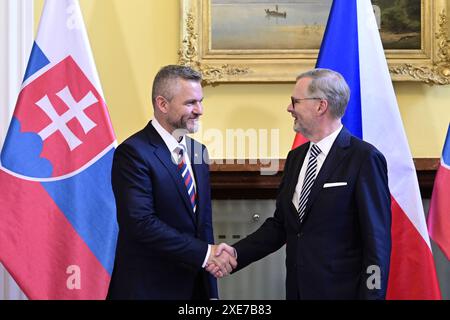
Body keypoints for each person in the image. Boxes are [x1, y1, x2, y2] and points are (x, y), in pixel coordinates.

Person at [210, 68, 391, 299]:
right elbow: (281, 225)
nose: (289, 108)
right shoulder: (296, 158)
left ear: (320, 106)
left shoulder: (364, 158)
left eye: (295, 101)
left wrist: (372, 297)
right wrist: (235, 252)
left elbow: (376, 241)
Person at [107, 65, 236, 300]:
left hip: (193, 289)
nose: (200, 110)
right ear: (162, 104)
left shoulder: (199, 152)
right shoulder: (133, 153)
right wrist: (206, 254)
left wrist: (210, 291)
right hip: (148, 289)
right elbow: (141, 223)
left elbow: (203, 225)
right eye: (190, 103)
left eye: (200, 101)